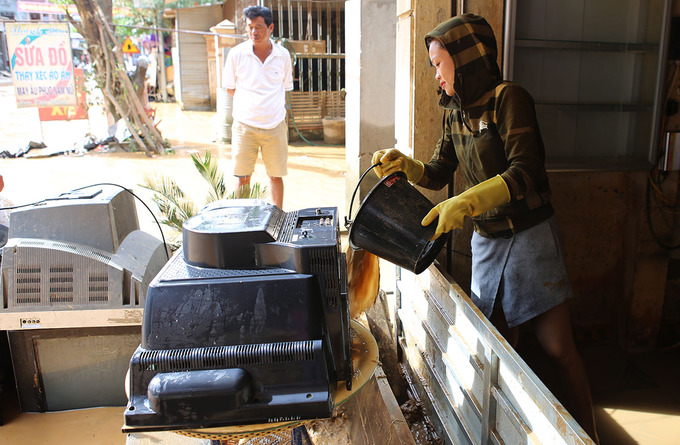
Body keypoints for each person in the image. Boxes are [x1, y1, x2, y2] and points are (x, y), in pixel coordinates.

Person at [372, 14, 599, 443]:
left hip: (530, 238)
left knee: (557, 348)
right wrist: (407, 164)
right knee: (498, 347)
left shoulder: (508, 99)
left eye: (440, 64)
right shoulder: (454, 111)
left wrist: (468, 201)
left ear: (466, 58)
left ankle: (589, 432)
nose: (437, 76)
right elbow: (439, 171)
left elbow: (526, 170)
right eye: (434, 67)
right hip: (488, 242)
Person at [223, 5, 293, 209]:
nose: (254, 31)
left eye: (259, 26)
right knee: (242, 177)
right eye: (250, 26)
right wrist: (251, 104)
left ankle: (278, 217)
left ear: (270, 27)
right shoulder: (236, 54)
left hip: (276, 126)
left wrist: (267, 107)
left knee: (276, 176)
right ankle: (243, 222)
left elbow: (286, 86)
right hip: (245, 127)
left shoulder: (283, 56)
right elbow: (230, 88)